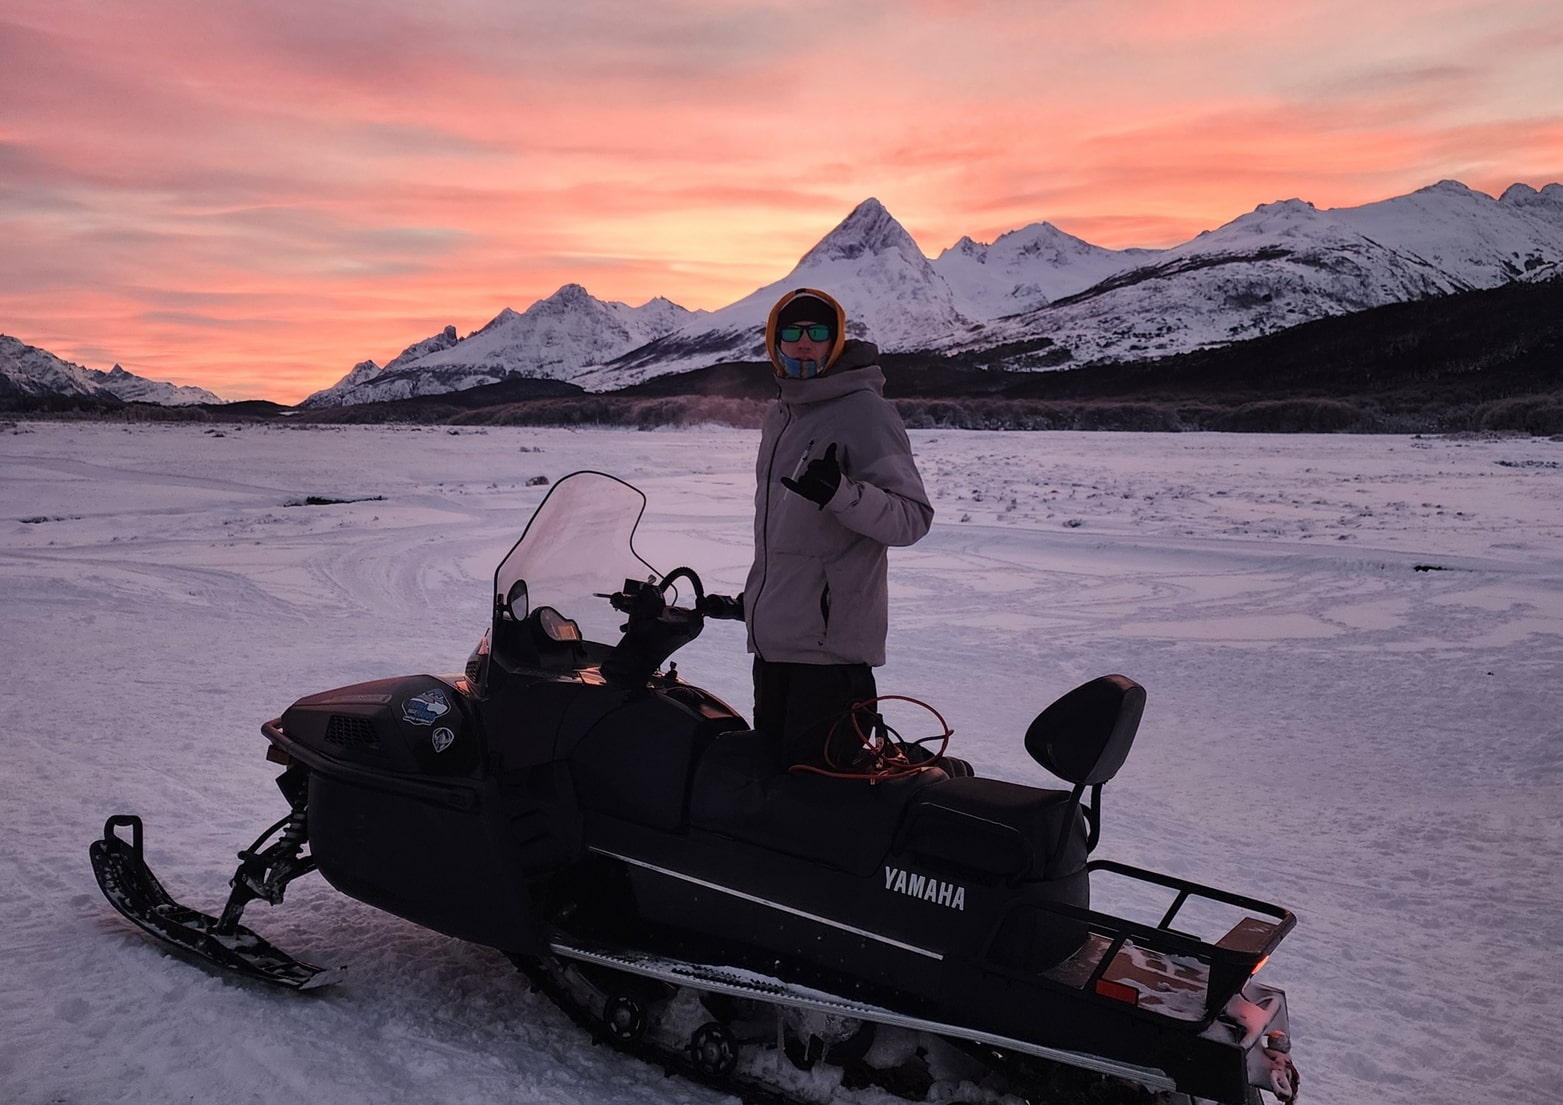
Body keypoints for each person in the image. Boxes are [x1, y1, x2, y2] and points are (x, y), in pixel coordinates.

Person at [700, 288, 933, 770]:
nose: (804, 344)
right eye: (792, 333)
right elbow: (789, 537)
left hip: (829, 660)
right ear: (774, 342)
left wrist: (842, 494)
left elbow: (912, 517)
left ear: (836, 340)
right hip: (777, 649)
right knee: (774, 794)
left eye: (818, 333)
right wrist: (755, 602)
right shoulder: (782, 413)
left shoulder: (864, 411)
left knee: (819, 806)